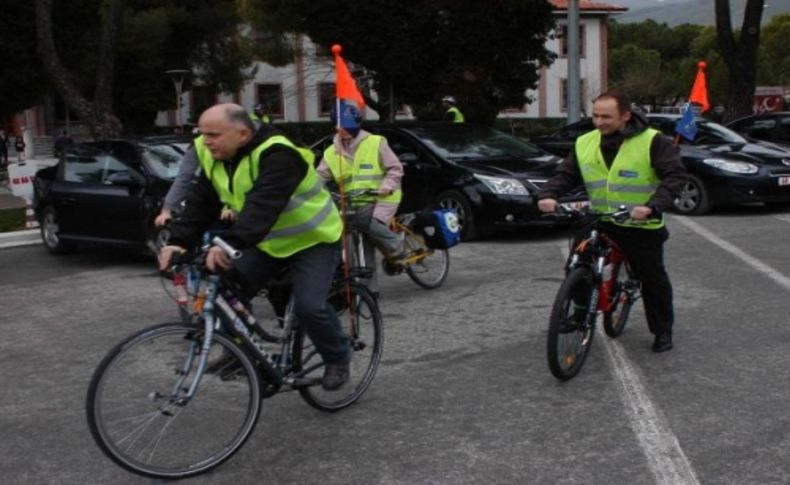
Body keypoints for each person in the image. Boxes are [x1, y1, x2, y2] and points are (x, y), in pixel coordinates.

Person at [158, 103, 351, 390]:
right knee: (222, 289)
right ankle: (241, 355)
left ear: (243, 134)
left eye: (214, 134)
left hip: (314, 238)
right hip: (268, 241)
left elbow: (262, 206)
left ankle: (337, 357)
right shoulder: (214, 154)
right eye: (202, 133)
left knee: (310, 306)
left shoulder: (278, 153)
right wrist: (178, 242)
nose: (205, 141)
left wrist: (227, 244)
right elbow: (202, 202)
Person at [537, 90, 688, 353]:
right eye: (595, 115)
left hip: (639, 224)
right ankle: (580, 312)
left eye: (606, 117)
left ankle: (662, 329)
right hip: (600, 218)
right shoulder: (585, 142)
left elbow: (674, 176)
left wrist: (652, 206)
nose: (599, 122)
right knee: (577, 264)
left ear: (626, 116)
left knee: (651, 278)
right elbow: (566, 174)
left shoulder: (653, 141)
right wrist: (549, 194)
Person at [316, 103, 404, 296]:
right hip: (355, 202)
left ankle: (397, 246)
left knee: (371, 224)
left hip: (384, 198)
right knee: (362, 243)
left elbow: (395, 168)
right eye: (339, 125)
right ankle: (369, 289)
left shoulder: (376, 142)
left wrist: (387, 185)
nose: (342, 130)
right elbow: (319, 178)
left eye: (346, 126)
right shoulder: (331, 152)